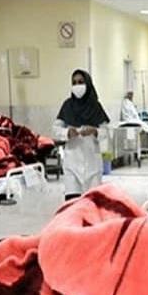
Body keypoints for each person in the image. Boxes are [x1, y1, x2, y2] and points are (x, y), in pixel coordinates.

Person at [53, 70, 110, 201]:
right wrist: (67, 133)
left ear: (88, 84)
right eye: (74, 83)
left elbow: (106, 132)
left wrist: (94, 131)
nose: (77, 86)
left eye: (80, 82)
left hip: (92, 165)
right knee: (73, 203)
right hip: (72, 164)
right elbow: (55, 129)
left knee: (92, 203)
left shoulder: (95, 106)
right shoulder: (67, 105)